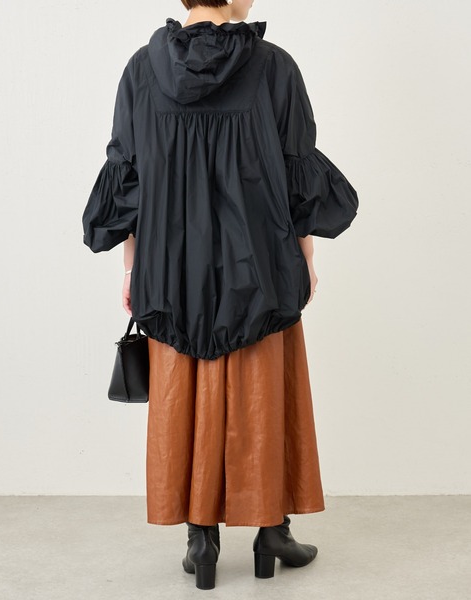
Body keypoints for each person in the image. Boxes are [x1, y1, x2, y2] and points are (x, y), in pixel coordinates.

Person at [82, 0, 359, 591]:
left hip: (171, 268)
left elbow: (129, 176)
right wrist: (306, 259)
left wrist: (132, 268)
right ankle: (270, 532)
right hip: (258, 263)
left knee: (184, 391)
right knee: (264, 390)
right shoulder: (274, 66)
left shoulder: (141, 69)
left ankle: (200, 540)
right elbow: (296, 173)